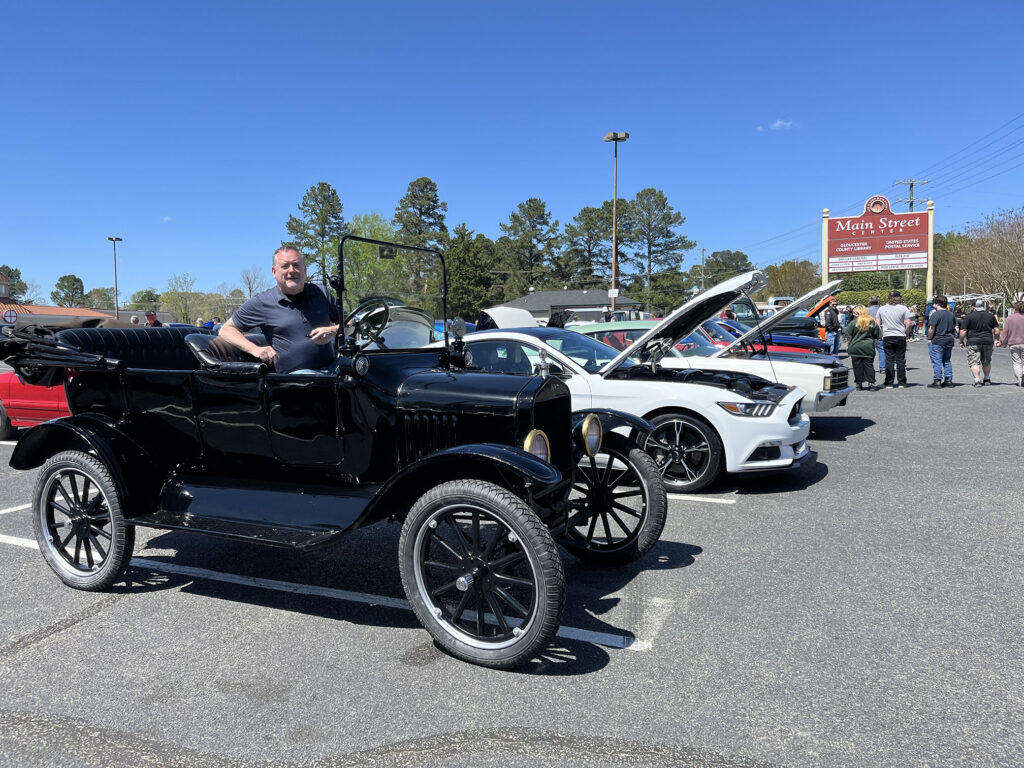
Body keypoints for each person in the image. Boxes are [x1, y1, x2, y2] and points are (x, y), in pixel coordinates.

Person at [218, 246, 340, 374]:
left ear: (305, 270)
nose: (292, 270)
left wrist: (332, 331)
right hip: (298, 378)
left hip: (333, 368)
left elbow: (351, 324)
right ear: (274, 271)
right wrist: (255, 349)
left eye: (296, 265)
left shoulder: (321, 292)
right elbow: (226, 329)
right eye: (285, 266)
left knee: (361, 367)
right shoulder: (262, 302)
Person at [876, 290, 912, 388]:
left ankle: (889, 382)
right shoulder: (903, 308)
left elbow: (877, 323)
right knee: (900, 359)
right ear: (899, 298)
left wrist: (882, 333)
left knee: (889, 359)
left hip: (887, 336)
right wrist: (906, 333)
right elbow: (908, 323)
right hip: (900, 335)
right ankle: (902, 382)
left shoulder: (882, 309)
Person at [960, 299, 1000, 386]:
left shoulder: (969, 316)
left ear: (973, 307)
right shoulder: (990, 316)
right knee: (986, 361)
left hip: (973, 341)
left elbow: (963, 331)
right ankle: (987, 379)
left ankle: (977, 380)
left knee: (974, 361)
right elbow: (996, 330)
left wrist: (961, 341)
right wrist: (997, 339)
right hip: (988, 341)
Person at [843, 305, 880, 391]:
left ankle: (859, 383)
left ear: (857, 313)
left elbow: (849, 336)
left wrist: (848, 345)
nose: (853, 313)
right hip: (868, 346)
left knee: (857, 366)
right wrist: (873, 346)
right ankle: (871, 383)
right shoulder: (872, 322)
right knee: (869, 365)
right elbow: (876, 337)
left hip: (855, 347)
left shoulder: (853, 323)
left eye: (854, 312)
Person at [926, 294, 956, 388]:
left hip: (938, 339)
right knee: (947, 360)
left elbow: (932, 328)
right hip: (949, 339)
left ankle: (937, 380)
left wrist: (929, 338)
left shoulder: (936, 314)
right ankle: (948, 380)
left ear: (937, 304)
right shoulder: (951, 314)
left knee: (937, 360)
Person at [999, 301, 1024, 386]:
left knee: (1017, 362)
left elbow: (1005, 332)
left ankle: (1020, 380)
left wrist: (1002, 343)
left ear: (1015, 308)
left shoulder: (1010, 318)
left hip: (1013, 343)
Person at [866, 296, 885, 372]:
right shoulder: (882, 309)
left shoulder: (867, 311)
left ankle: (869, 367)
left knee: (869, 350)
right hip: (880, 331)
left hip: (869, 332)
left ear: (870, 302)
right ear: (878, 302)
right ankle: (883, 368)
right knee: (881, 350)